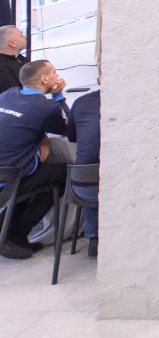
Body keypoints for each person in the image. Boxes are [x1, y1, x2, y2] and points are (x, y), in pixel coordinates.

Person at [0, 59, 69, 259]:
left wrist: (41, 136)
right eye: (54, 72)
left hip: (6, 173)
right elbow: (70, 130)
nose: (57, 76)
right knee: (63, 172)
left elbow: (18, 124)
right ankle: (15, 233)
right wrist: (58, 96)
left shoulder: (7, 94)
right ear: (44, 79)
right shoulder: (46, 107)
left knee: (36, 175)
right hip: (10, 179)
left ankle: (10, 230)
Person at [65, 85, 101, 256]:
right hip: (117, 189)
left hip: (81, 189)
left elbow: (71, 137)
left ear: (99, 80)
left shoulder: (81, 102)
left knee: (90, 173)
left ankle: (94, 238)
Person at [0, 25, 28, 92]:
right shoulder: (2, 68)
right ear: (12, 43)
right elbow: (13, 95)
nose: (25, 36)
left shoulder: (21, 59)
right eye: (21, 35)